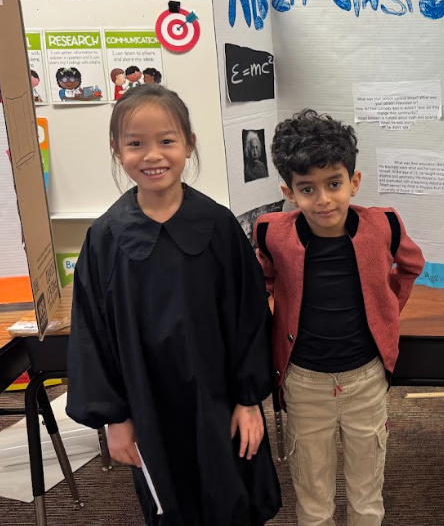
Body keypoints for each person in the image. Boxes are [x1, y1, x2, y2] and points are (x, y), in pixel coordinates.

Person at [66, 85, 281, 526]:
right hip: (147, 402)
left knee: (231, 496)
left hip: (218, 399)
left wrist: (248, 400)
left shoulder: (218, 226)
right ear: (116, 149)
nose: (152, 156)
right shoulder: (105, 238)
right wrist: (115, 419)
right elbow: (93, 335)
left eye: (166, 140)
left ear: (189, 143)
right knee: (169, 503)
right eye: (135, 144)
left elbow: (249, 315)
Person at [254, 109, 425, 526]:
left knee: (367, 492)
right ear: (289, 191)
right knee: (312, 494)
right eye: (307, 189)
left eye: (334, 184)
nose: (324, 200)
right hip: (304, 380)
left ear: (354, 181)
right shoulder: (271, 232)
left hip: (365, 378)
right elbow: (264, 278)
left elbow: (411, 265)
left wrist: (387, 311)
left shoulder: (383, 224)